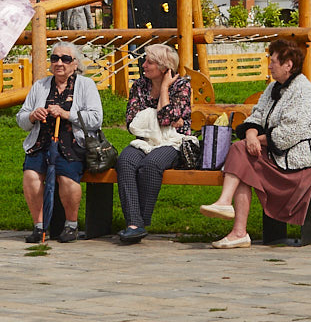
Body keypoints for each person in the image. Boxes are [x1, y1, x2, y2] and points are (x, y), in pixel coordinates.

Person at [199, 38, 311, 249]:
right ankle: (236, 229)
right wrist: (250, 134)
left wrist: (255, 140)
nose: (269, 65)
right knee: (242, 157)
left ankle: (230, 213)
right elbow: (256, 116)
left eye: (273, 61)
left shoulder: (305, 93)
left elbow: (288, 134)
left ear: (288, 65)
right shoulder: (272, 88)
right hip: (276, 154)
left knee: (240, 152)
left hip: (300, 161)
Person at [16, 41, 103, 244]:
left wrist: (66, 114)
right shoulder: (40, 85)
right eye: (55, 58)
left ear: (75, 64)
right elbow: (21, 118)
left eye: (65, 59)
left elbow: (96, 119)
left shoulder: (85, 85)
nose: (59, 63)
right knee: (31, 174)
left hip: (72, 143)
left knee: (66, 176)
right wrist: (32, 116)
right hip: (42, 142)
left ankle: (71, 225)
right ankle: (39, 226)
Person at [114, 44, 192, 244]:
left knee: (151, 165)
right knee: (125, 161)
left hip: (173, 141)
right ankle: (134, 224)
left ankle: (138, 223)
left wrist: (164, 90)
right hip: (144, 141)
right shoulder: (139, 86)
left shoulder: (181, 85)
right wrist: (161, 116)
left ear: (164, 67)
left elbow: (167, 119)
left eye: (150, 61)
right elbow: (132, 122)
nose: (144, 64)